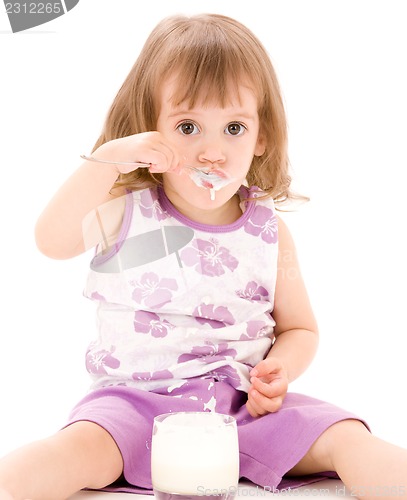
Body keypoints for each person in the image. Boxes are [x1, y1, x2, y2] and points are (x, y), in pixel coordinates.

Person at [0, 12, 406, 500]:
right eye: (188, 126)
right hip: (133, 406)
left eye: (234, 127)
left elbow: (301, 328)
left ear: (262, 138)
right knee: (68, 452)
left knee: (347, 436)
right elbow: (51, 239)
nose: (212, 152)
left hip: (242, 413)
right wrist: (112, 157)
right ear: (150, 131)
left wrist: (280, 370)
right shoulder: (124, 213)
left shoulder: (268, 232)